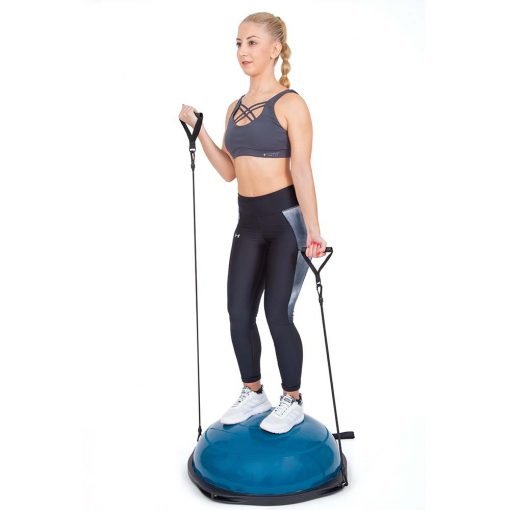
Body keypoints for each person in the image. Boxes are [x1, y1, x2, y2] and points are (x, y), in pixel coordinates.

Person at [179, 12, 326, 434]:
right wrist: (200, 130)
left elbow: (301, 168)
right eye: (239, 43)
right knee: (238, 311)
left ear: (275, 49)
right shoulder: (234, 108)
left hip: (285, 222)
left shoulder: (291, 103)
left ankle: (292, 398)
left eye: (252, 42)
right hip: (249, 221)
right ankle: (254, 391)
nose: (243, 51)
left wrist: (314, 230)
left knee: (277, 312)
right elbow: (229, 171)